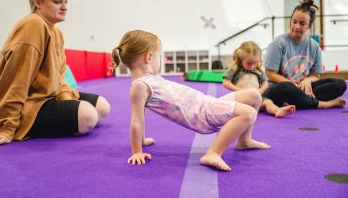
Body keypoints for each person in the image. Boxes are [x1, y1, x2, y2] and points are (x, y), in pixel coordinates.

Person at [111, 30, 270, 172]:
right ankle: (213, 153)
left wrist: (143, 140)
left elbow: (142, 115)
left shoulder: (148, 80)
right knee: (247, 113)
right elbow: (137, 119)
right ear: (149, 57)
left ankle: (244, 140)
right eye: (160, 56)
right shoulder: (139, 86)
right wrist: (137, 151)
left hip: (207, 103)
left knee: (254, 96)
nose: (160, 60)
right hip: (202, 114)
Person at [0, 0, 110, 147]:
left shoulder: (56, 32)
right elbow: (16, 82)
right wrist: (7, 127)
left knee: (102, 107)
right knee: (88, 116)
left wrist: (67, 100)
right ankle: (21, 124)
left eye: (66, 2)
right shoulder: (33, 25)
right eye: (57, 2)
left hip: (47, 97)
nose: (64, 7)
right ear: (37, 3)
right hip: (27, 106)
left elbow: (59, 76)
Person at [263, 0, 347, 110]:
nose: (296, 26)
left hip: (302, 88)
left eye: (302, 23)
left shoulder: (314, 46)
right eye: (294, 22)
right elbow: (270, 73)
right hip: (280, 88)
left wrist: (307, 80)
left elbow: (315, 75)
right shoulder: (278, 43)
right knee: (286, 88)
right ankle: (322, 104)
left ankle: (299, 101)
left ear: (309, 25)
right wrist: (292, 84)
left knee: (340, 84)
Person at [223, 41, 296, 118]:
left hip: (256, 100)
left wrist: (260, 91)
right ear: (240, 60)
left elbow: (265, 83)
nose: (252, 66)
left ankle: (277, 110)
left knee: (268, 103)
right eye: (249, 63)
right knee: (230, 104)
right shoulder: (235, 69)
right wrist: (238, 89)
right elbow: (226, 82)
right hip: (241, 98)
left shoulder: (258, 71)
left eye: (255, 63)